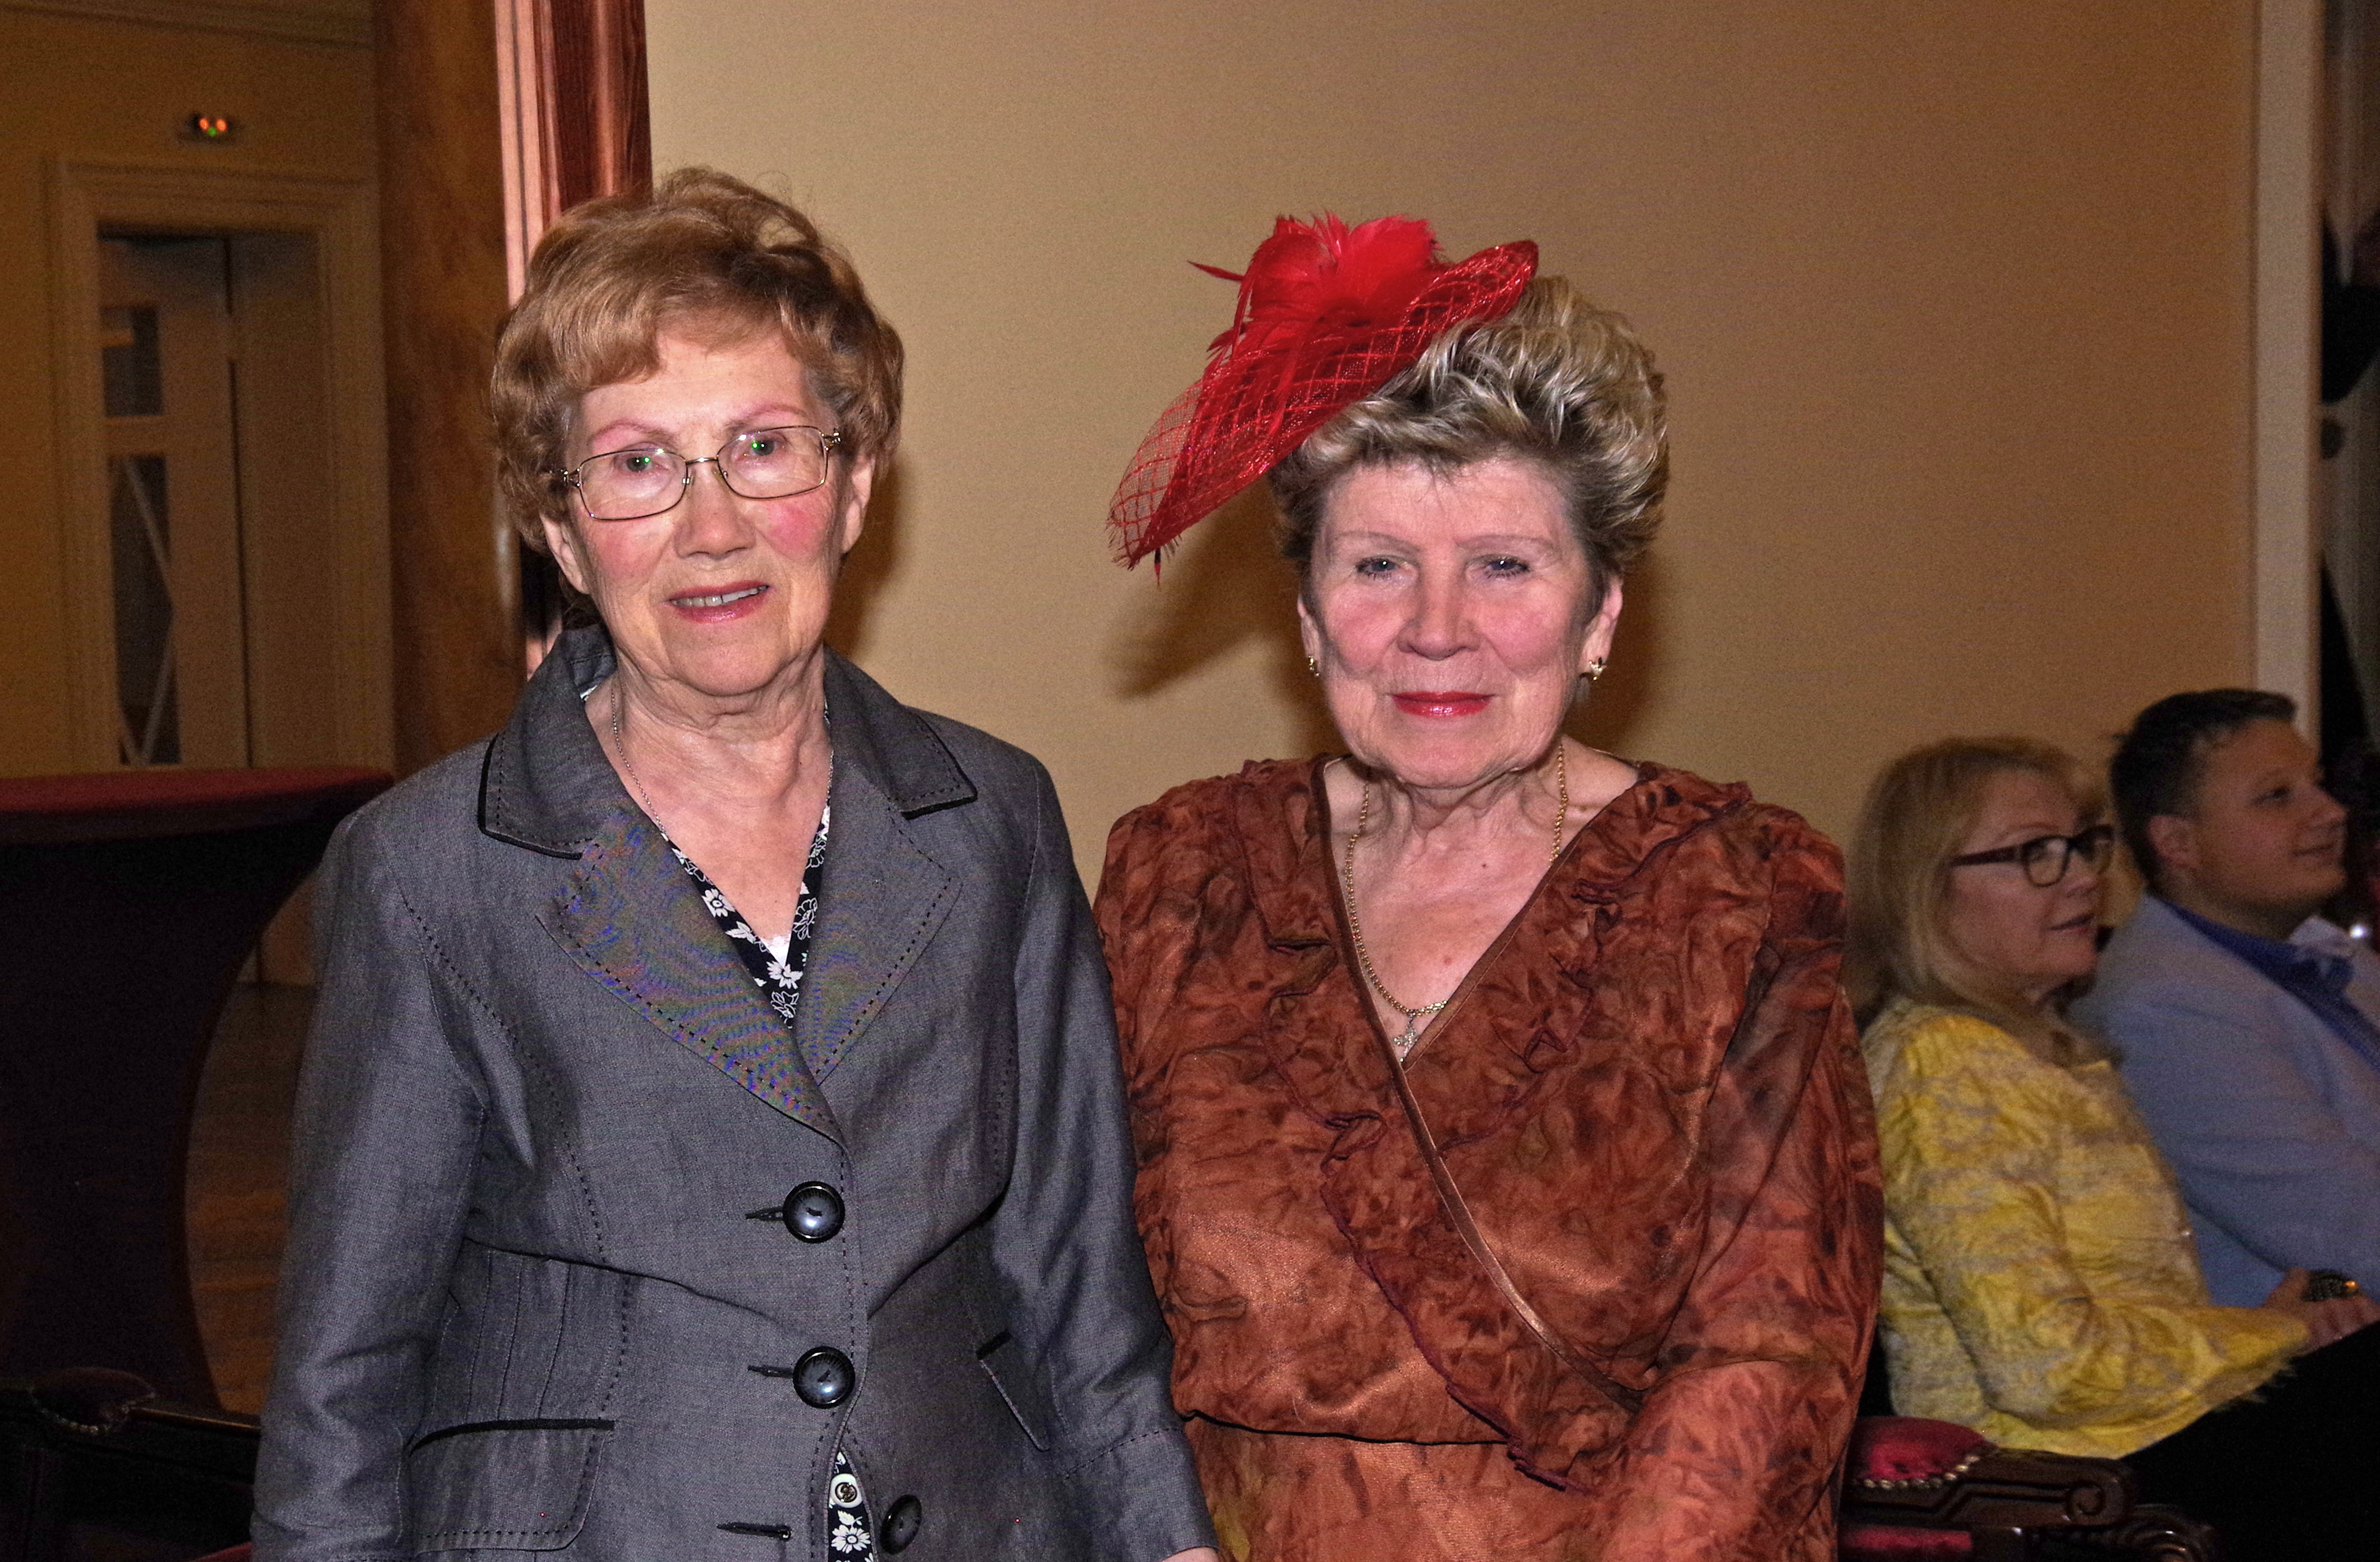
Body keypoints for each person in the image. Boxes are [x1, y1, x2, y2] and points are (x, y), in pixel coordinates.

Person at [255, 170, 1218, 1562]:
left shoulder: (992, 822)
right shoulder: (429, 873)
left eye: (765, 448)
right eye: (639, 464)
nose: (712, 527)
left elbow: (1081, 1289)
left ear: (855, 486)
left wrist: (1168, 1544)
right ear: (560, 531)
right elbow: (343, 1382)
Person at [1094, 214, 1882, 1562]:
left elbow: (1768, 1362)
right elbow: (1067, 1301)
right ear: (1307, 618)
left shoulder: (1733, 898)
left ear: (1599, 615)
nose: (1436, 628)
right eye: (1378, 566)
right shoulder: (1182, 877)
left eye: (1504, 566)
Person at [1850, 734, 2380, 1561]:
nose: (2080, 878)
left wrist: (2276, 1324)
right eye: (2033, 854)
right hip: (2072, 1484)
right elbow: (2046, 1369)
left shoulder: (2039, 1048)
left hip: (2159, 1434)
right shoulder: (1945, 1065)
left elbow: (2134, 1310)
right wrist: (2275, 1334)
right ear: (1927, 891)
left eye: (2081, 845)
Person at [2074, 690, 2380, 1306]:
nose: (2330, 812)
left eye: (2318, 784)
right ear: (2178, 843)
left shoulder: (2321, 952)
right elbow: (2356, 1237)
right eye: (2277, 795)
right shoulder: (2164, 1008)